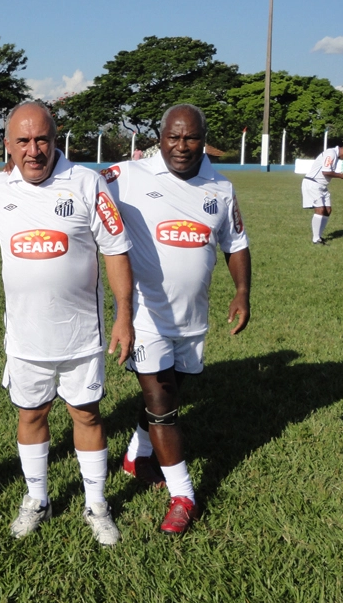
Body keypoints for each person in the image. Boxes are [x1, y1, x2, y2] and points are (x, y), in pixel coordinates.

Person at [0, 102, 134, 546]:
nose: (34, 151)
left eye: (42, 139)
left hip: (81, 335)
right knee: (32, 414)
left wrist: (124, 315)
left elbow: (116, 249)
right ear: (6, 146)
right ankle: (38, 499)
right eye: (23, 142)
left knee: (85, 413)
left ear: (56, 138)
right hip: (25, 337)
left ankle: (97, 505)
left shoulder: (87, 183)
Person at [103, 104, 251, 535]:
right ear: (160, 137)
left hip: (193, 319)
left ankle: (135, 454)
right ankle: (183, 493)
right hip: (146, 314)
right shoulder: (127, 175)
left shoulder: (220, 188)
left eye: (191, 138)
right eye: (173, 137)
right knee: (162, 404)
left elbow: (235, 243)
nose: (181, 146)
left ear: (204, 140)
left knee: (170, 392)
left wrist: (242, 292)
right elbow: (76, 182)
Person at [302, 141, 343, 245]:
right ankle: (316, 239)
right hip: (313, 183)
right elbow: (325, 171)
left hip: (322, 185)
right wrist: (341, 176)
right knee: (320, 209)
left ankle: (319, 237)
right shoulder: (331, 153)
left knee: (328, 210)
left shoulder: (334, 155)